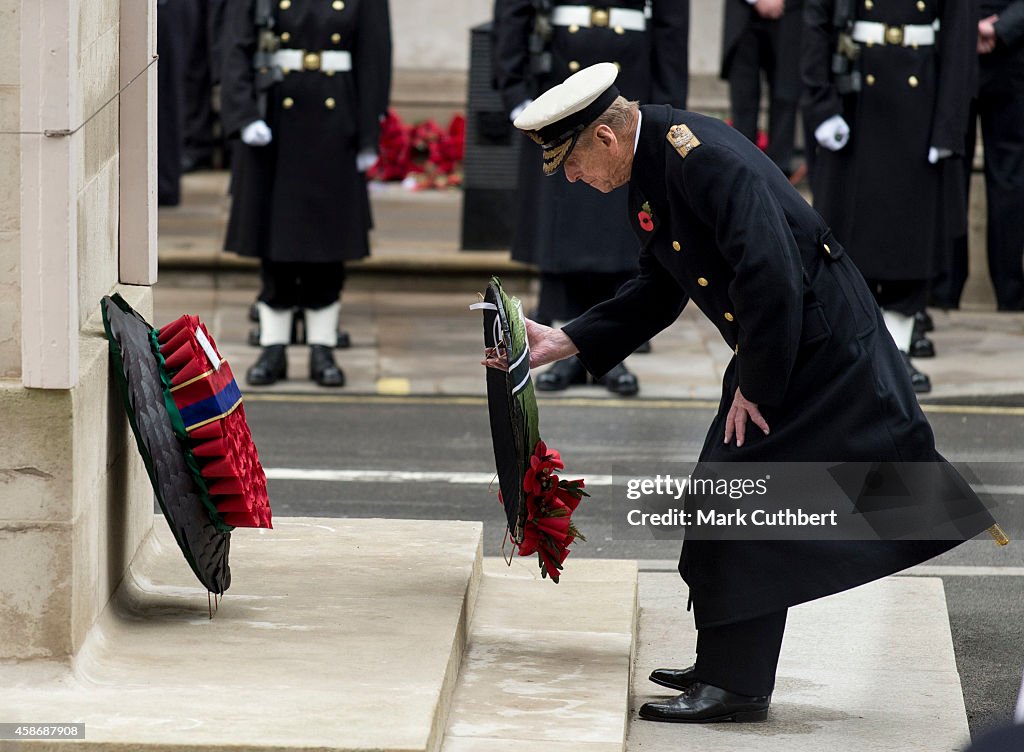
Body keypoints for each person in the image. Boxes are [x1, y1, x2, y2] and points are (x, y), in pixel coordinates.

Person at [487, 62, 992, 723]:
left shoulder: (699, 161)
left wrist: (757, 386)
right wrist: (569, 339)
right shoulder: (658, 164)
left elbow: (772, 273)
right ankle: (728, 667)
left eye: (573, 164)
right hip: (782, 340)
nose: (575, 179)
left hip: (815, 351)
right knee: (735, 499)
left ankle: (736, 685)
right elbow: (661, 284)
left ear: (605, 139)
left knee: (736, 499)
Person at [492, 0, 689, 395]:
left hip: (630, 74)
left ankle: (611, 351)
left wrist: (669, 102)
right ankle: (566, 344)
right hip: (559, 69)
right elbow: (515, 12)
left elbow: (671, 23)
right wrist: (514, 87)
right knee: (564, 219)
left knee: (619, 228)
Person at [802, 0, 977, 393]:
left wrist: (949, 126)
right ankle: (853, 348)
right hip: (856, 97)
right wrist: (821, 105)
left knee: (908, 236)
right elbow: (818, 20)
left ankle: (896, 348)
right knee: (847, 240)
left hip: (919, 102)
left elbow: (958, 36)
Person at [220, 0, 391, 387]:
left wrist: (369, 133)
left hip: (336, 119)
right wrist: (243, 114)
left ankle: (322, 346)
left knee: (327, 241)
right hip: (275, 114)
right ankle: (274, 346)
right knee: (275, 239)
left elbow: (374, 54)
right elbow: (234, 45)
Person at [937, 2, 1024, 311]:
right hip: (950, 53)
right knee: (949, 171)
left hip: (1012, 56)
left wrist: (1003, 28)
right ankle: (943, 288)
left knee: (1010, 181)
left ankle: (1011, 292)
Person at [721, 0, 805, 181]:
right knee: (744, 99)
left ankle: (780, 180)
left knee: (786, 95)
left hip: (790, 12)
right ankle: (741, 174)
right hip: (743, 13)